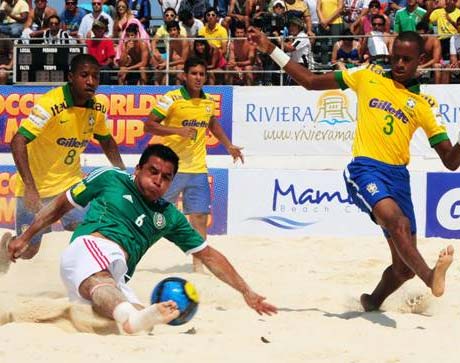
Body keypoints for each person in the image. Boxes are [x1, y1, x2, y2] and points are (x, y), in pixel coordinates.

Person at [247, 27, 460, 311]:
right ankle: (430, 276)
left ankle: (372, 301)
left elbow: (450, 160)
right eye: (395, 57)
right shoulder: (367, 76)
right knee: (399, 224)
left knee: (403, 268)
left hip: (399, 178)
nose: (398, 64)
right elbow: (310, 81)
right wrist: (270, 48)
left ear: (421, 59)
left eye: (406, 60)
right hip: (365, 169)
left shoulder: (421, 105)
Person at [4, 144, 277, 334]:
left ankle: (130, 317)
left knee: (131, 314)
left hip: (117, 274)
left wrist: (246, 292)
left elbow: (207, 254)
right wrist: (27, 235)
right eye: (153, 172)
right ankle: (131, 318)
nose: (158, 180)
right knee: (108, 291)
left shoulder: (169, 216)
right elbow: (62, 204)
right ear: (138, 169)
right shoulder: (111, 178)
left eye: (166, 177)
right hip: (90, 248)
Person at [8, 53, 125, 260]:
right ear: (71, 77)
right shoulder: (51, 103)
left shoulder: (97, 107)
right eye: (84, 75)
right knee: (27, 252)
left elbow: (106, 140)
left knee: (90, 230)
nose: (91, 81)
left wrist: (123, 174)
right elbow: (17, 141)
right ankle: (5, 245)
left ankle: (85, 278)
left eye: (96, 76)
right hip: (36, 189)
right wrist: (30, 187)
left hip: (69, 186)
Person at [144, 56, 244, 272]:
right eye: (194, 73)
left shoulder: (208, 102)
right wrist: (177, 131)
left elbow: (213, 124)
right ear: (184, 75)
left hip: (198, 169)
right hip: (171, 170)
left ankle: (198, 267)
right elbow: (148, 125)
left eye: (202, 74)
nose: (198, 78)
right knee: (152, 218)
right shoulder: (171, 99)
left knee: (199, 217)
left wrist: (229, 146)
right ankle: (128, 252)